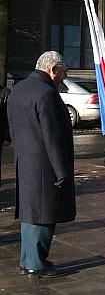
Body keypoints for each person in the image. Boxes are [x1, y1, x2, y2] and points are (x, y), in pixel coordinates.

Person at [8, 52, 75, 277]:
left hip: (25, 161)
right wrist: (62, 171)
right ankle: (35, 264)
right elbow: (52, 136)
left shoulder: (19, 89)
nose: (64, 77)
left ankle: (28, 260)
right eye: (63, 71)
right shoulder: (47, 94)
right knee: (45, 215)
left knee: (31, 213)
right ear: (52, 69)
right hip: (45, 165)